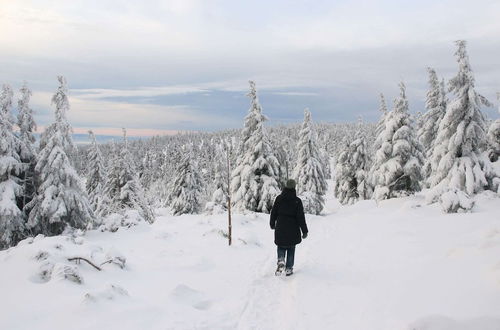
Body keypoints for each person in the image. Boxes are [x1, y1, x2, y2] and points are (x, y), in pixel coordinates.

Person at [270, 179, 308, 276]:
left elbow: (273, 212)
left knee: (281, 245)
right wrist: (304, 231)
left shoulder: (279, 198)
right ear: (294, 187)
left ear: (285, 187)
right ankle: (289, 268)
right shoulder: (297, 201)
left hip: (281, 226)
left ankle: (281, 259)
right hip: (293, 228)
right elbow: (301, 217)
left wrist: (272, 223)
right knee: (291, 248)